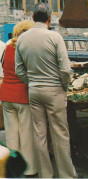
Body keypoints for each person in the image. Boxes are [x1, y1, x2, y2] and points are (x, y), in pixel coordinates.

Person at [15, 3, 77, 178]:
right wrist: (63, 86)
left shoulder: (21, 39)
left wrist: (32, 82)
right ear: (50, 19)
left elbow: (20, 70)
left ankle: (46, 175)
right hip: (54, 90)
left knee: (40, 134)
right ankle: (66, 175)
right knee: (60, 134)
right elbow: (65, 69)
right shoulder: (55, 37)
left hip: (34, 90)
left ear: (32, 18)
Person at [0, 20, 37, 177]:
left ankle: (11, 166)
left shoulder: (7, 48)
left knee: (11, 133)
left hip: (6, 95)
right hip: (23, 95)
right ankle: (29, 169)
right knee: (26, 134)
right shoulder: (27, 49)